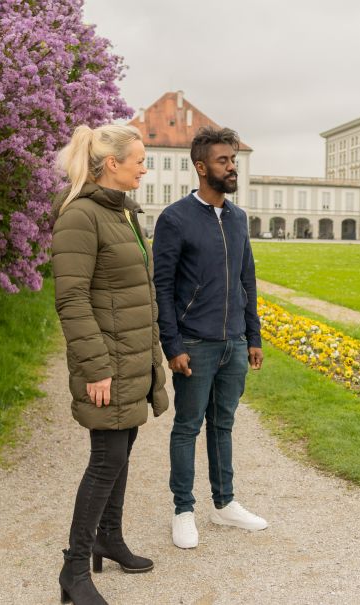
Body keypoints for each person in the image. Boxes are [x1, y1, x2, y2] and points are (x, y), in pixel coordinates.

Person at [51, 124, 170, 604]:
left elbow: (131, 292)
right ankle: (74, 570)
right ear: (112, 164)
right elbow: (72, 299)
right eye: (139, 159)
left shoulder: (122, 214)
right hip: (107, 363)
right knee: (106, 461)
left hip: (131, 357)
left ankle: (109, 538)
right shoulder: (80, 217)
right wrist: (97, 366)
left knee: (121, 456)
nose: (146, 167)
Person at [153, 127, 266, 550]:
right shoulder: (175, 218)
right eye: (223, 161)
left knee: (224, 424)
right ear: (201, 167)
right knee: (187, 427)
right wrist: (173, 346)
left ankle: (225, 504)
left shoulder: (238, 218)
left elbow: (247, 279)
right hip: (195, 345)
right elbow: (162, 288)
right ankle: (183, 510)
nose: (232, 166)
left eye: (233, 160)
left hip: (233, 343)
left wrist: (252, 335)